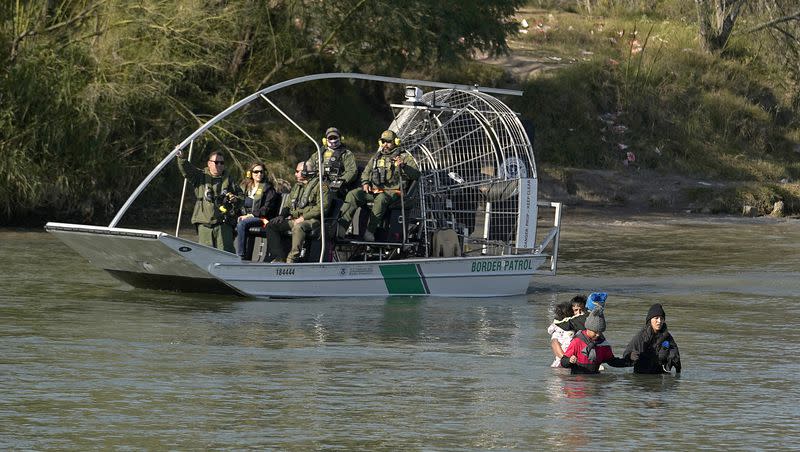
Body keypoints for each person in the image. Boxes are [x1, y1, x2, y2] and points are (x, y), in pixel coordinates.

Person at [337, 130, 419, 242]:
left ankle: (369, 231)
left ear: (395, 142)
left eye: (388, 142)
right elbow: (366, 172)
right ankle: (341, 227)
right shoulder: (376, 157)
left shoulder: (404, 157)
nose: (385, 144)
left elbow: (416, 174)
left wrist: (403, 166)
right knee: (353, 194)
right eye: (383, 141)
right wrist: (365, 183)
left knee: (381, 199)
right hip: (376, 190)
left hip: (394, 193)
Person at [263, 160, 330, 263]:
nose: (295, 174)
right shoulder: (297, 187)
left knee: (298, 227)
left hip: (312, 220)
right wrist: (282, 216)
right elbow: (288, 204)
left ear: (305, 172)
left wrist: (303, 218)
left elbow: (322, 207)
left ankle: (292, 260)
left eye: (297, 171)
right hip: (295, 219)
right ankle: (279, 257)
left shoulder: (321, 186)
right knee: (271, 226)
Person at [176, 149, 240, 253]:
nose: (219, 165)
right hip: (204, 223)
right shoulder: (200, 176)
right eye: (216, 162)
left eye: (221, 163)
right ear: (209, 163)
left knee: (225, 253)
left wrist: (235, 199)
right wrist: (181, 158)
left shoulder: (230, 180)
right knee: (205, 253)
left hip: (224, 224)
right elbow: (187, 170)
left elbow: (241, 197)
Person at [560, 307, 629, 374]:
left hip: (595, 380)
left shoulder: (603, 343)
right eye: (595, 332)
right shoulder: (577, 341)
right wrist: (570, 360)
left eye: (600, 332)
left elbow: (612, 361)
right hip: (577, 381)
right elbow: (563, 362)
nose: (598, 335)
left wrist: (628, 362)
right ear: (588, 328)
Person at [235, 161, 281, 260]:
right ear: (251, 173)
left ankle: (240, 256)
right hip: (247, 216)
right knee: (230, 222)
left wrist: (250, 215)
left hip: (262, 218)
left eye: (261, 172)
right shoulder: (246, 187)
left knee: (242, 224)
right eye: (256, 172)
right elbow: (240, 202)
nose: (259, 174)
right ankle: (226, 253)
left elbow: (266, 209)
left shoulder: (268, 189)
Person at [622, 303, 682, 374]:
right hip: (641, 376)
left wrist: (673, 357)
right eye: (656, 318)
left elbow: (676, 356)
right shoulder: (641, 336)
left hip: (660, 375)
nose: (659, 321)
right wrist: (632, 356)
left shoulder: (667, 336)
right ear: (650, 320)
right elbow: (626, 353)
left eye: (661, 318)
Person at [308, 127, 357, 193]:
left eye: (335, 137)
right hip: (318, 183)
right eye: (330, 138)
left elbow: (352, 171)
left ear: (341, 139)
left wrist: (340, 181)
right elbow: (309, 164)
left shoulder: (347, 154)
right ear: (325, 140)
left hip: (337, 186)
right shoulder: (319, 153)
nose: (333, 140)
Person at [548, 301, 575, 367]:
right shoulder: (573, 322)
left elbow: (549, 330)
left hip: (560, 358)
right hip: (570, 355)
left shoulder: (556, 323)